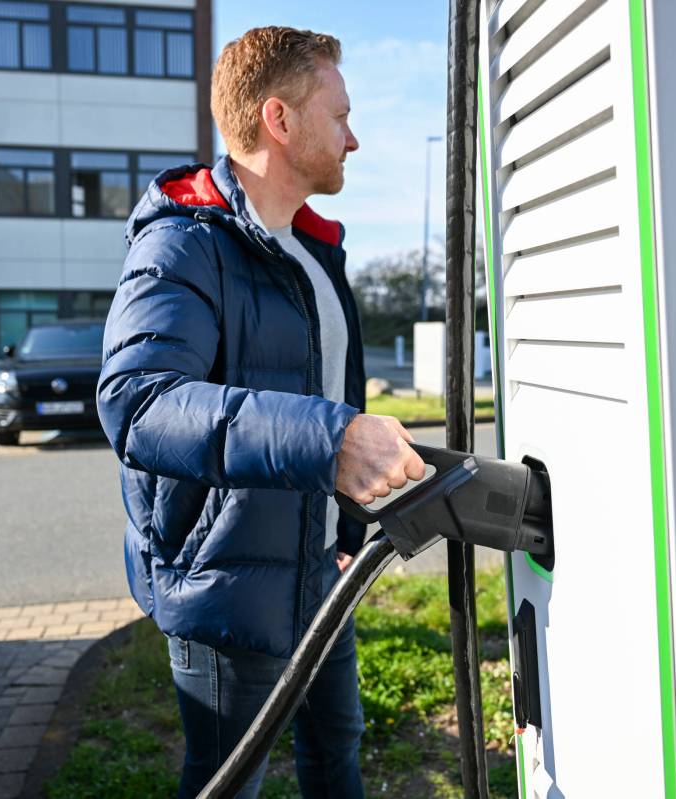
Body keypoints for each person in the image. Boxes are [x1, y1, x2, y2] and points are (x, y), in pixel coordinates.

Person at [96, 25, 427, 799]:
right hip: (223, 586)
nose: (354, 137)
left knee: (336, 753)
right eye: (339, 115)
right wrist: (330, 440)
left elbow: (335, 394)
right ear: (280, 120)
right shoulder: (182, 243)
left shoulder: (314, 254)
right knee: (226, 782)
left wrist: (346, 533)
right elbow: (139, 403)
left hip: (321, 572)